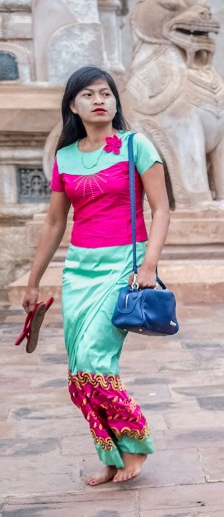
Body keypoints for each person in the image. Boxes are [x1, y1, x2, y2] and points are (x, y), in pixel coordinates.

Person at [22, 65, 169, 486]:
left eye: (106, 93)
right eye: (88, 94)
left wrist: (149, 265)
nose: (99, 100)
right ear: (73, 105)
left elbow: (161, 208)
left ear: (116, 101)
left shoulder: (135, 145)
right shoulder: (64, 157)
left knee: (94, 358)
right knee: (77, 369)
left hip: (123, 264)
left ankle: (135, 445)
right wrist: (34, 280)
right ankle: (109, 452)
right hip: (78, 269)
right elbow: (54, 223)